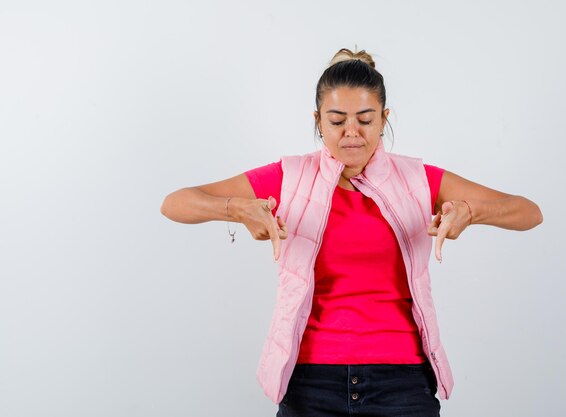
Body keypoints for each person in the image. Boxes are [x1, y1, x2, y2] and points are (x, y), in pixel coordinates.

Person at [160, 48, 543, 417]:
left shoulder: (418, 180)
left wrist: (469, 212)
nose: (351, 133)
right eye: (337, 120)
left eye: (365, 119)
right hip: (311, 382)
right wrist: (236, 208)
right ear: (317, 120)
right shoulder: (289, 177)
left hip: (403, 384)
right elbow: (176, 203)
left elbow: (528, 212)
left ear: (384, 117)